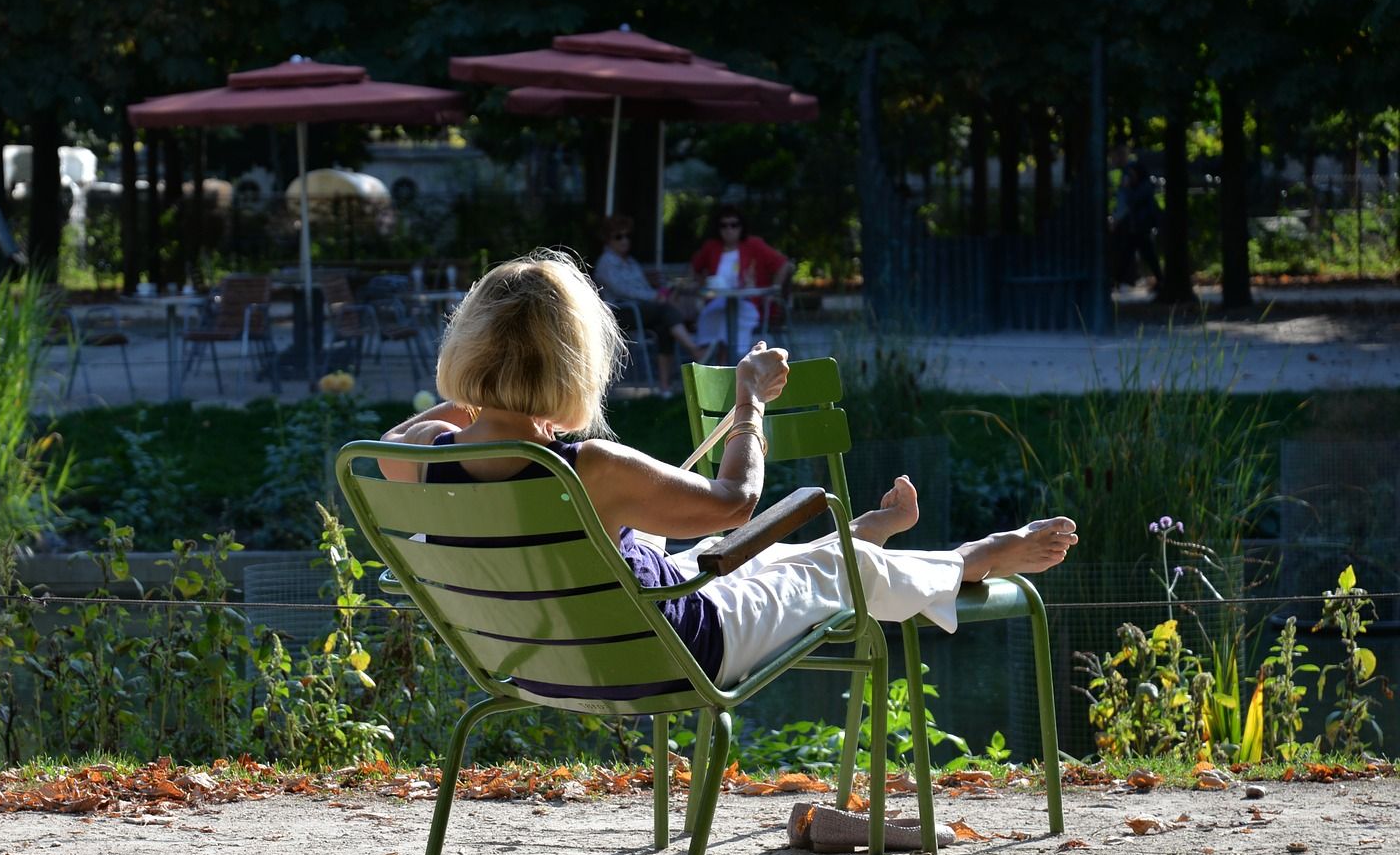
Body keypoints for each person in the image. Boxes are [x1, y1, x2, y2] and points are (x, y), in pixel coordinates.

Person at [380, 250, 1078, 690]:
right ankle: (965, 560)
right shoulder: (588, 467)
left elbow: (398, 437)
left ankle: (851, 537)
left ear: (467, 351)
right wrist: (748, 404)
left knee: (728, 562)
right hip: (665, 652)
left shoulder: (416, 462)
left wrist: (481, 395)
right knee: (833, 573)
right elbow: (736, 502)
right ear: (577, 362)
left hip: (534, 665)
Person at [591, 215, 707, 395]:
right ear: (608, 240)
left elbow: (641, 288)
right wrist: (656, 296)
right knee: (666, 310)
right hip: (621, 312)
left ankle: (664, 387)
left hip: (641, 309)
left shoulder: (630, 262)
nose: (624, 241)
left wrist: (660, 292)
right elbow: (624, 291)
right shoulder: (606, 263)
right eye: (618, 237)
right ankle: (695, 350)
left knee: (664, 326)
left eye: (627, 236)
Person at [689, 204, 792, 358]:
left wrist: (775, 290)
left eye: (734, 225)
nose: (729, 229)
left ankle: (726, 365)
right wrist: (701, 283)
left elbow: (785, 264)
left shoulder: (754, 245)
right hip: (717, 302)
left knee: (729, 324)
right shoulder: (711, 247)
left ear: (741, 226)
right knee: (712, 318)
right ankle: (711, 361)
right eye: (723, 225)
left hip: (748, 303)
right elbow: (694, 268)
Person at [1110, 160, 1162, 290]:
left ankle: (1161, 280)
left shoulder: (1144, 186)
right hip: (1135, 228)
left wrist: (1126, 188)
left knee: (1146, 256)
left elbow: (1133, 200)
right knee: (1127, 256)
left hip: (1142, 228)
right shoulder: (1137, 186)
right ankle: (1116, 281)